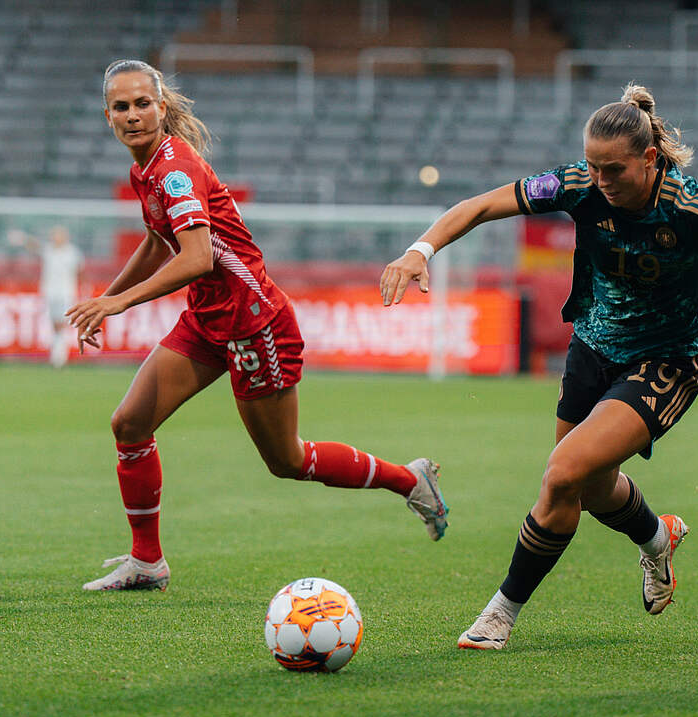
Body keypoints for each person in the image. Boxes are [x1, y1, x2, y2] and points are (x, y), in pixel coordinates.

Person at [380, 84, 698, 649]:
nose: (601, 180)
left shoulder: (694, 204)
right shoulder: (576, 185)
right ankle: (657, 538)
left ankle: (499, 614)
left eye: (614, 169)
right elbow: (482, 205)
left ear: (650, 158)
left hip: (668, 361)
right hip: (591, 349)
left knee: (562, 472)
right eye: (593, 166)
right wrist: (420, 250)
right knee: (587, 489)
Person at [69, 59, 449, 592]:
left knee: (287, 459)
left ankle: (409, 479)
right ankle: (147, 562)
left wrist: (120, 304)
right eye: (121, 106)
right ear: (106, 115)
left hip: (255, 323)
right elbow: (158, 241)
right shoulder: (146, 168)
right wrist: (105, 299)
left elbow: (197, 256)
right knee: (129, 424)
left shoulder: (175, 169)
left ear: (161, 107)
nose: (133, 115)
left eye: (143, 104)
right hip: (208, 318)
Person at [40, 225, 83, 368]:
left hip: (66, 293)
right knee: (54, 324)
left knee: (62, 324)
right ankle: (56, 355)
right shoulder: (49, 251)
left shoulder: (72, 253)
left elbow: (80, 271)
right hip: (50, 293)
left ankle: (60, 357)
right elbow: (35, 246)